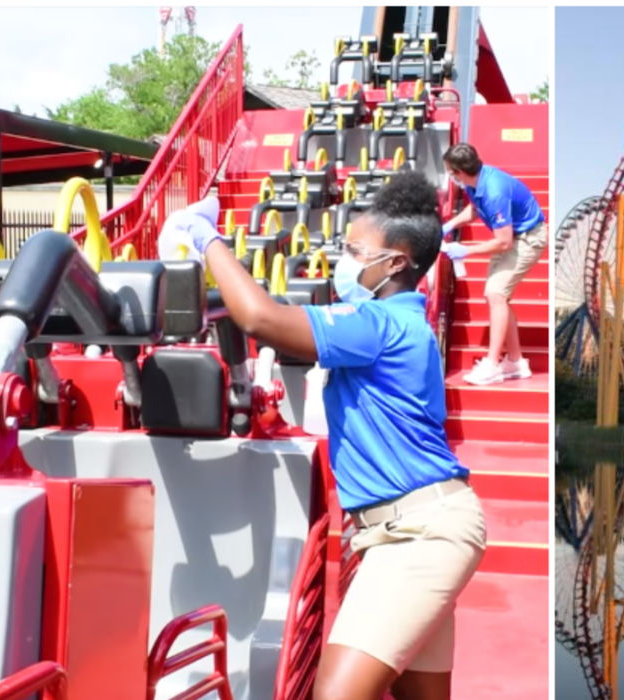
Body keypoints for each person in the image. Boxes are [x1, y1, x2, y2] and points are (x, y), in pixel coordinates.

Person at [159, 173, 486, 700]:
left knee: (336, 695)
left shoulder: (378, 323)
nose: (345, 259)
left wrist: (206, 238)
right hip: (412, 527)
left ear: (396, 262)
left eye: (357, 250)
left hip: (418, 534)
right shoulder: (404, 322)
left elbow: (260, 318)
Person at [439, 143, 546, 385]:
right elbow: (476, 209)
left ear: (459, 171)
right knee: (497, 297)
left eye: (449, 171)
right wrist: (449, 225)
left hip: (526, 239)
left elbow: (503, 242)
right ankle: (515, 362)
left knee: (495, 294)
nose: (450, 176)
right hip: (512, 237)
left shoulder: (494, 191)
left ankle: (492, 364)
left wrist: (466, 250)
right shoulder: (474, 181)